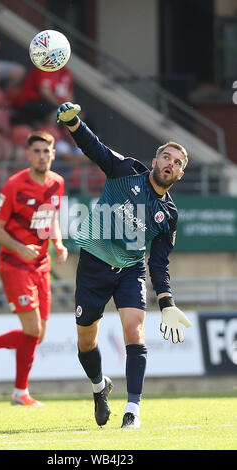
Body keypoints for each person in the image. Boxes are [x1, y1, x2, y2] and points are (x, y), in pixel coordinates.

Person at [56, 102, 192, 428]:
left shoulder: (169, 216)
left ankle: (133, 410)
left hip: (131, 270)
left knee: (135, 332)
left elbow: (158, 264)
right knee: (86, 341)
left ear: (181, 173)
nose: (170, 164)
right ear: (155, 160)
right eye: (167, 157)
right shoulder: (126, 170)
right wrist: (74, 123)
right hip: (94, 262)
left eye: (178, 163)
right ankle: (99, 387)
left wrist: (168, 301)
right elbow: (95, 149)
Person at [0, 130, 68, 406]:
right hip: (15, 264)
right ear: (28, 155)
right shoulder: (14, 185)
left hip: (41, 265)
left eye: (46, 151)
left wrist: (58, 243)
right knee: (33, 330)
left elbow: (52, 217)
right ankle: (19, 392)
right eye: (36, 151)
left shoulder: (57, 183)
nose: (41, 156)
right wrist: (19, 248)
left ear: (53, 154)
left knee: (37, 336)